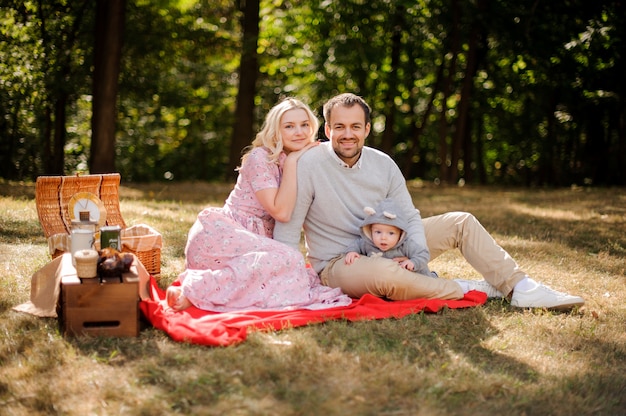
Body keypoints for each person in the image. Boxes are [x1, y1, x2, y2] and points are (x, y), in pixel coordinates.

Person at [274, 93, 585, 310]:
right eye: (339, 126)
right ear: (328, 130)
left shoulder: (383, 163)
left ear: (366, 129)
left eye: (355, 126)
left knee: (460, 221)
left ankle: (519, 287)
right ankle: (468, 289)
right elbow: (288, 231)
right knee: (385, 275)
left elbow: (408, 217)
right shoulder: (309, 165)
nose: (347, 134)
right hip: (339, 264)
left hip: (389, 244)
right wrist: (290, 282)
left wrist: (416, 260)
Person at [165, 98, 352, 312]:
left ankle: (205, 290)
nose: (299, 132)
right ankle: (196, 289)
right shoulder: (260, 157)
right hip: (221, 238)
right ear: (275, 131)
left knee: (294, 267)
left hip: (255, 244)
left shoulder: (304, 160)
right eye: (289, 126)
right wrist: (292, 162)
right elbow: (281, 212)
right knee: (290, 259)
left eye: (304, 125)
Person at [344, 198, 436, 275]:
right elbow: (356, 244)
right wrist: (351, 252)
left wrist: (413, 262)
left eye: (391, 233)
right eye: (378, 232)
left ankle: (434, 277)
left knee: (429, 284)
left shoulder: (406, 245)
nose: (383, 237)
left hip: (417, 277)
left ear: (400, 234)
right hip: (387, 282)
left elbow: (423, 254)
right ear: (370, 231)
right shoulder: (367, 244)